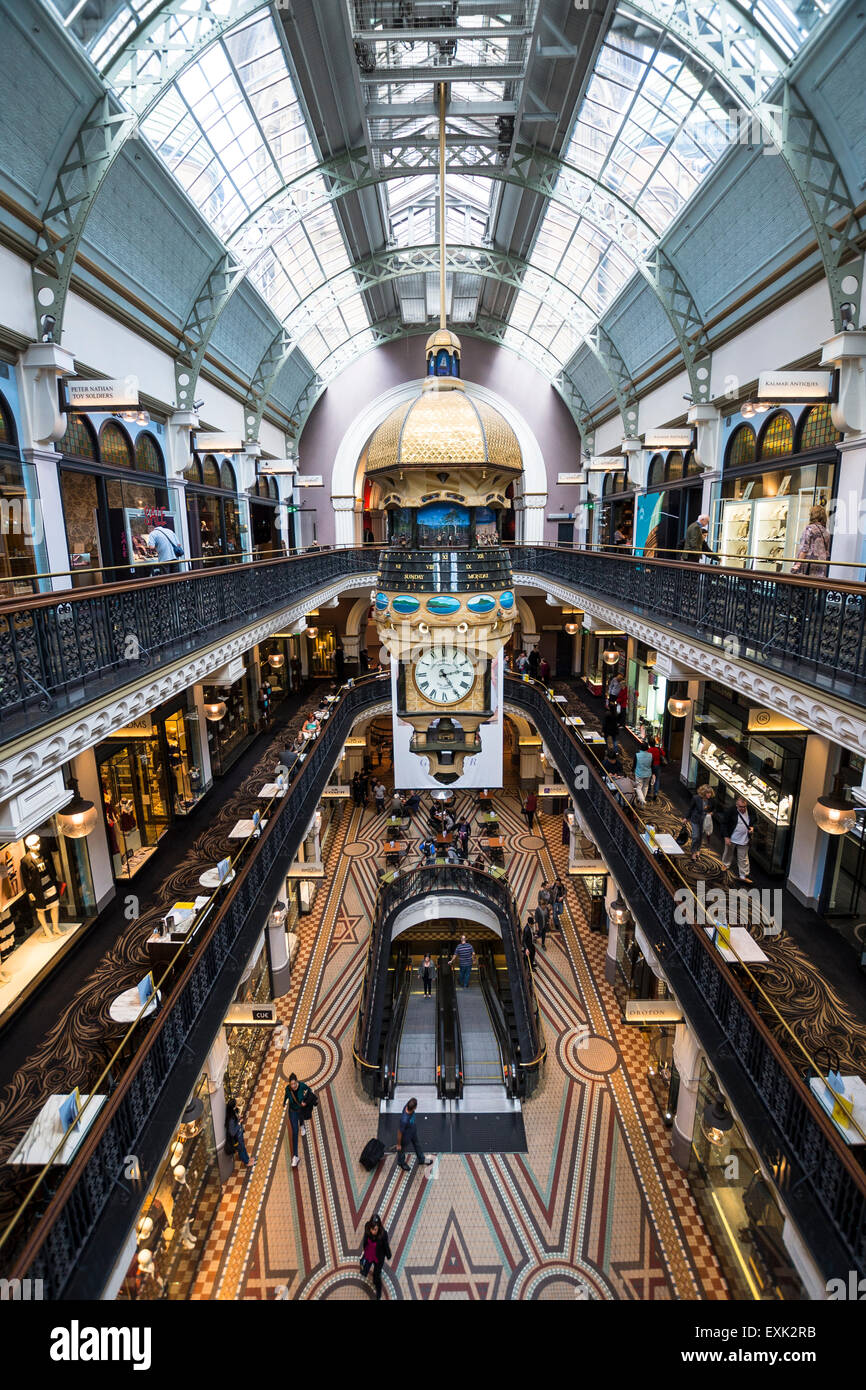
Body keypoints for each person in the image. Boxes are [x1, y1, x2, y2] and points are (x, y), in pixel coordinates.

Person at [283, 1072, 315, 1168]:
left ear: (297, 1082)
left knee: (301, 1119)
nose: (292, 1086)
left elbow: (309, 1091)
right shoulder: (288, 1089)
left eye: (294, 1083)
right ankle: (295, 1156)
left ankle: (302, 1125)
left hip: (300, 1109)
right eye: (291, 1084)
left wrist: (305, 1101)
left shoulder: (301, 1086)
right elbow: (286, 1095)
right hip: (292, 1111)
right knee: (294, 1132)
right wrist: (284, 1102)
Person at [791, 504, 830, 577]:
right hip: (821, 567)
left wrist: (797, 564)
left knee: (804, 587)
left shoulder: (809, 529)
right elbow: (827, 552)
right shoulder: (826, 532)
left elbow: (804, 549)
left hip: (808, 566)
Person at [721, 795, 754, 882]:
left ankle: (743, 875)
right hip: (732, 837)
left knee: (743, 857)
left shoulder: (750, 810)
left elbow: (754, 820)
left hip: (744, 838)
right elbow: (724, 824)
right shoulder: (730, 811)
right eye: (741, 807)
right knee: (728, 852)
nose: (743, 809)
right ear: (737, 805)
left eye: (744, 807)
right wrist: (726, 837)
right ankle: (725, 864)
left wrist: (752, 827)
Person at [395, 1097, 433, 1173]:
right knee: (401, 1150)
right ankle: (401, 1162)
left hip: (412, 1132)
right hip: (405, 1137)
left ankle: (421, 1159)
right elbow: (399, 1132)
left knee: (417, 1145)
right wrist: (399, 1144)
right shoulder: (404, 1120)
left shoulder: (408, 1106)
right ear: (414, 1108)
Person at [360, 1215, 392, 1300]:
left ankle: (378, 1290)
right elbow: (365, 1239)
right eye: (371, 1228)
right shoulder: (367, 1227)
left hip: (378, 1258)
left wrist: (388, 1254)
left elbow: (386, 1246)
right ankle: (365, 1272)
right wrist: (365, 1249)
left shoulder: (383, 1234)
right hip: (369, 1254)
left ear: (379, 1228)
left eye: (375, 1229)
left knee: (377, 1276)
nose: (372, 1231)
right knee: (365, 1266)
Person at [684, 784, 715, 860]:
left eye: (710, 793)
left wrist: (712, 813)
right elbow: (690, 808)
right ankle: (693, 851)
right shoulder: (696, 798)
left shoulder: (711, 800)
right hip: (695, 819)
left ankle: (698, 849)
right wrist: (686, 817)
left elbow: (714, 809)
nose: (709, 795)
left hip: (705, 821)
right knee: (695, 836)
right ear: (704, 793)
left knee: (700, 836)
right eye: (708, 793)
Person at [225, 1100, 254, 1172]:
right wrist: (238, 1123)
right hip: (237, 1137)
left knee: (243, 1147)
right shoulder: (231, 1119)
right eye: (235, 1104)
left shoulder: (233, 1112)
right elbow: (232, 1132)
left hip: (240, 1135)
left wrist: (238, 1118)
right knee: (241, 1149)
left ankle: (247, 1158)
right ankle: (246, 1162)